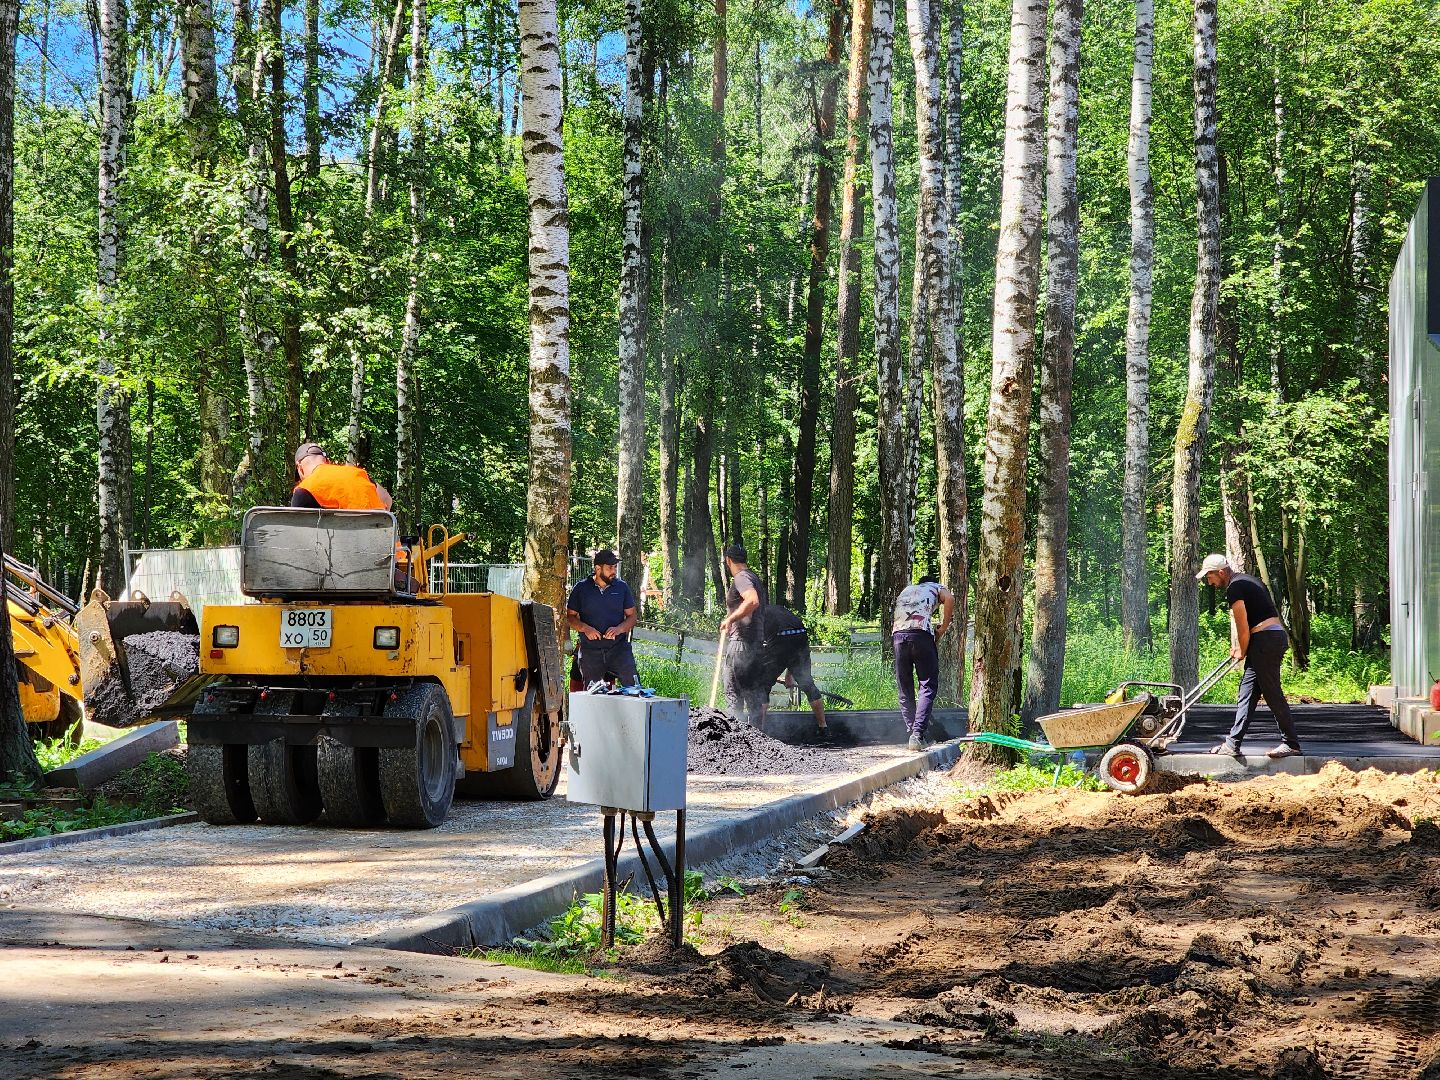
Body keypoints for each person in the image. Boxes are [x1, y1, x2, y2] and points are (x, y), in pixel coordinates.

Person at [1198, 554, 1302, 759]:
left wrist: (1241, 649)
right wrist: (1241, 647)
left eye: (1209, 576)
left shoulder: (1235, 588)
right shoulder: (1246, 579)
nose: (1208, 581)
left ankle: (1291, 743)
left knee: (1272, 693)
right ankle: (1233, 743)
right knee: (1247, 693)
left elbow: (1243, 627)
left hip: (1266, 640)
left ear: (1221, 572)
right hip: (1266, 638)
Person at [892, 574, 955, 752]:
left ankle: (912, 732)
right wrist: (942, 628)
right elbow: (949, 598)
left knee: (904, 686)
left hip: (898, 637)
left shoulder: (907, 590)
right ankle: (918, 734)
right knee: (927, 684)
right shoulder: (936, 587)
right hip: (921, 635)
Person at [566, 549, 639, 688]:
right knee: (593, 692)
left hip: (618, 649)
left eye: (615, 567)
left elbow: (632, 616)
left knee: (633, 687)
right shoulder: (581, 588)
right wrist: (585, 628)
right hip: (590, 651)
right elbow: (570, 617)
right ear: (598, 568)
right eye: (610, 567)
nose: (614, 571)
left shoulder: (622, 587)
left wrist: (619, 629)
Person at [755, 604, 827, 739]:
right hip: (800, 636)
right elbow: (791, 644)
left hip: (781, 640)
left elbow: (760, 647)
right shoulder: (779, 610)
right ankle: (823, 727)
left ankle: (759, 732)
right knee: (808, 684)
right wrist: (789, 675)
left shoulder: (756, 616)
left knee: (762, 686)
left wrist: (760, 671)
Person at [718, 543, 768, 720]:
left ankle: (736, 741)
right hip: (756, 645)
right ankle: (757, 740)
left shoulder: (741, 578)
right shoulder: (754, 578)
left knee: (734, 695)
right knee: (753, 697)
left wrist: (730, 619)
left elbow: (752, 601)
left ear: (728, 560)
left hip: (740, 646)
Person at [290, 442, 393, 510]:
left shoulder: (304, 490)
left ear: (300, 467)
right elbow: (387, 499)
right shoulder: (358, 474)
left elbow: (299, 535)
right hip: (384, 542)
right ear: (327, 461)